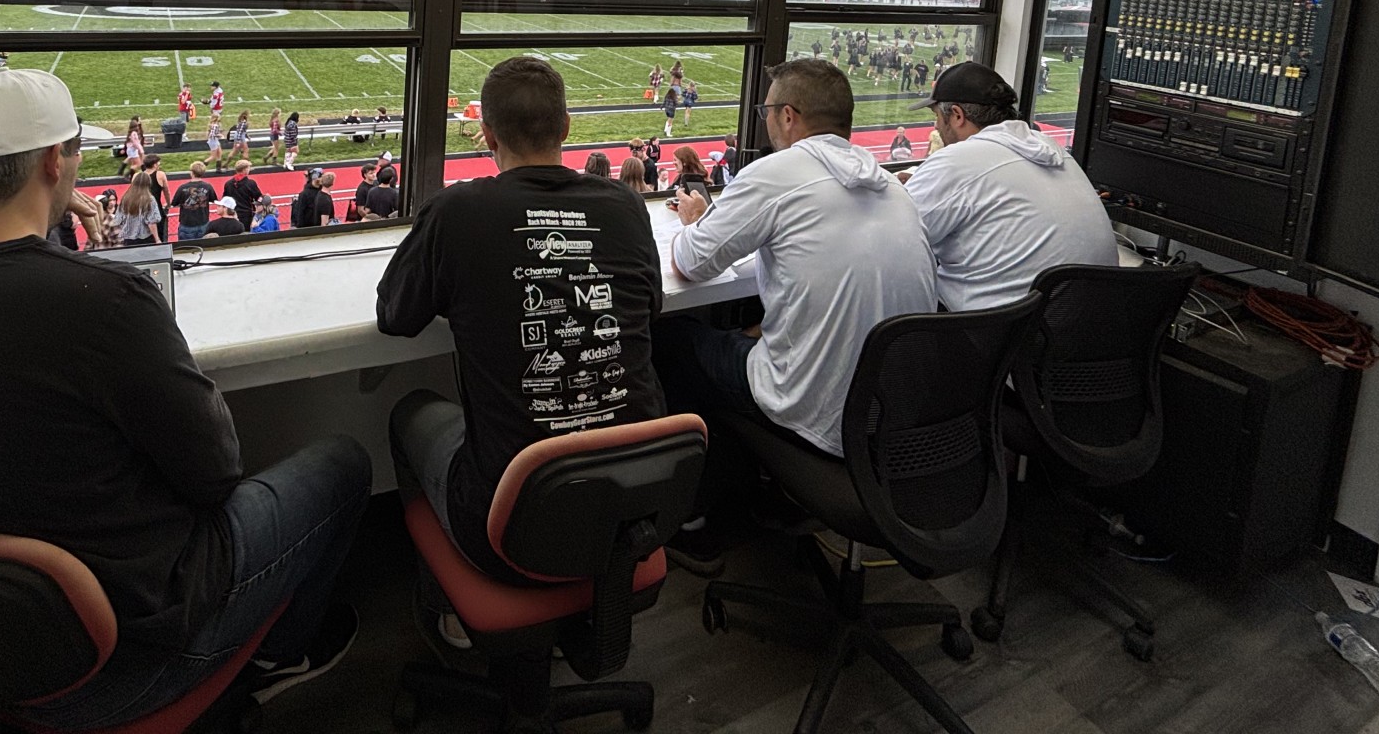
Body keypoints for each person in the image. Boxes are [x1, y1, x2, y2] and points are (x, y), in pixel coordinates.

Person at [0, 70, 368, 721]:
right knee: (343, 465)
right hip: (125, 656)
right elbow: (214, 474)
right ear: (53, 163)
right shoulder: (106, 302)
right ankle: (280, 655)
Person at [377, 55, 666, 593]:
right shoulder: (625, 206)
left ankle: (441, 603)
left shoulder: (457, 211)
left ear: (487, 134)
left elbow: (394, 315)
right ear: (566, 127)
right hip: (634, 507)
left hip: (511, 530)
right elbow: (650, 308)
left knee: (408, 413)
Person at [654, 60, 936, 572]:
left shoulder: (777, 173)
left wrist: (696, 220)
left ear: (788, 116)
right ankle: (769, 492)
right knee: (740, 334)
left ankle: (695, 519)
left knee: (673, 340)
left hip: (816, 411)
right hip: (889, 412)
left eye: (765, 111)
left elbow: (690, 262)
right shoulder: (890, 186)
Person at [902, 63, 1117, 311]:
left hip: (996, 326)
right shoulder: (1047, 146)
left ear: (958, 115)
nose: (936, 127)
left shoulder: (956, 161)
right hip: (1082, 320)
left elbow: (897, 236)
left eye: (938, 117)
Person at [170, 170, 217, 241]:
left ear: (192, 173)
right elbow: (214, 199)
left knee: (185, 246)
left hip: (187, 223)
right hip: (203, 222)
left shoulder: (182, 187)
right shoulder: (208, 186)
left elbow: (174, 203)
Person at [116, 172, 160, 246]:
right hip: (145, 238)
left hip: (127, 238)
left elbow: (118, 219)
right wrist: (157, 239)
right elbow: (151, 222)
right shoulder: (149, 199)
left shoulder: (126, 198)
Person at [140, 153, 171, 242]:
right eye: (158, 163)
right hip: (156, 209)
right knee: (160, 235)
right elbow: (166, 192)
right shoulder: (160, 175)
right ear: (154, 164)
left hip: (142, 209)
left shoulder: (138, 176)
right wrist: (168, 204)